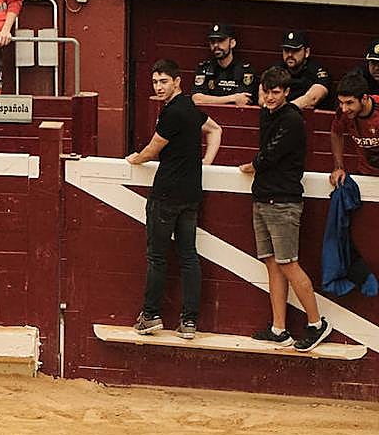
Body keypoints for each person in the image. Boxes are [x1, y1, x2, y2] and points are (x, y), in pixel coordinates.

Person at [126, 59, 222, 340]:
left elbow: (153, 149)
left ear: (177, 81)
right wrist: (206, 162)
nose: (158, 86)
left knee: (157, 257)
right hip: (191, 193)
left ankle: (150, 315)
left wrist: (135, 158)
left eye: (163, 81)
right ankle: (189, 322)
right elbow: (216, 130)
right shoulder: (191, 108)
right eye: (155, 82)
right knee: (188, 256)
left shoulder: (172, 113)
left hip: (167, 193)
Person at [238, 67, 331, 353]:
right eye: (266, 91)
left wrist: (251, 166)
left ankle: (316, 323)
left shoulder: (291, 119)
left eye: (276, 92)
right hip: (265, 197)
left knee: (288, 263)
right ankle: (279, 328)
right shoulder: (267, 114)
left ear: (287, 92)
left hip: (283, 201)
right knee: (272, 262)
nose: (269, 97)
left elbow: (269, 156)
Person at [330, 71, 379, 186]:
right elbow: (336, 133)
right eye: (341, 102)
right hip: (365, 173)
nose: (344, 109)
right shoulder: (343, 113)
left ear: (364, 98)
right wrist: (338, 167)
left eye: (349, 103)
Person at [192, 24, 256, 107]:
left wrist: (209, 99)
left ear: (232, 43)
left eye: (220, 41)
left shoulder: (245, 70)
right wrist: (233, 98)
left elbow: (243, 100)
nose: (216, 45)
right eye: (212, 42)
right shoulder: (204, 68)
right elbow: (196, 99)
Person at [272, 30, 332, 111]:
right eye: (286, 50)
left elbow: (312, 98)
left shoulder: (317, 72)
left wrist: (286, 109)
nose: (290, 54)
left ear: (306, 52)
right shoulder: (276, 69)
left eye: (295, 50)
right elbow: (262, 94)